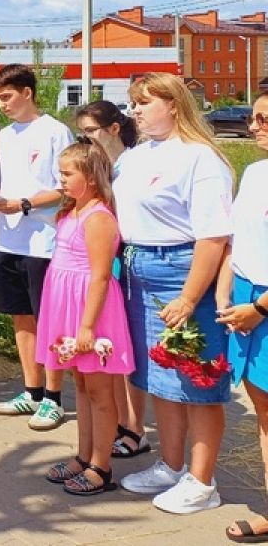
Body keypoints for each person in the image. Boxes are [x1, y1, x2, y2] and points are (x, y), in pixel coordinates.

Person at [114, 72, 233, 515]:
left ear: (175, 105)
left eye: (145, 102)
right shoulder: (137, 155)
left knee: (195, 376)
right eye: (133, 103)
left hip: (181, 271)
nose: (136, 111)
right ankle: (170, 463)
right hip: (138, 268)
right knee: (158, 376)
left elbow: (213, 237)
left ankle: (203, 481)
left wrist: (188, 297)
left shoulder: (200, 158)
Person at [39, 141, 135, 496]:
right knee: (80, 384)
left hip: (89, 312)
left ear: (92, 178)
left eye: (67, 173)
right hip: (66, 305)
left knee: (99, 390)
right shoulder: (72, 212)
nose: (60, 180)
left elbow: (99, 275)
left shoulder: (98, 218)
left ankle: (101, 465)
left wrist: (87, 327)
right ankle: (83, 454)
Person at [0, 64, 73, 429]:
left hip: (43, 240)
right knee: (21, 315)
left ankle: (54, 398)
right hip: (7, 237)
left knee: (48, 320)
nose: (2, 105)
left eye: (6, 96)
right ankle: (31, 391)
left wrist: (24, 204)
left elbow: (67, 186)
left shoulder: (55, 132)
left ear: (27, 92)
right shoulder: (4, 136)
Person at [76, 100, 147, 460]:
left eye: (91, 131)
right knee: (111, 349)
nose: (85, 138)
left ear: (114, 129)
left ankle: (136, 427)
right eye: (82, 132)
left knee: (126, 349)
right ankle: (120, 422)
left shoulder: (132, 163)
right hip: (107, 257)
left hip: (128, 257)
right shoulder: (98, 164)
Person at [217, 93, 268, 542]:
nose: (254, 126)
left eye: (263, 118)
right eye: (253, 118)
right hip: (245, 301)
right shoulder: (254, 173)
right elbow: (237, 243)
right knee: (264, 413)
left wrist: (259, 308)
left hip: (263, 306)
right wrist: (226, 298)